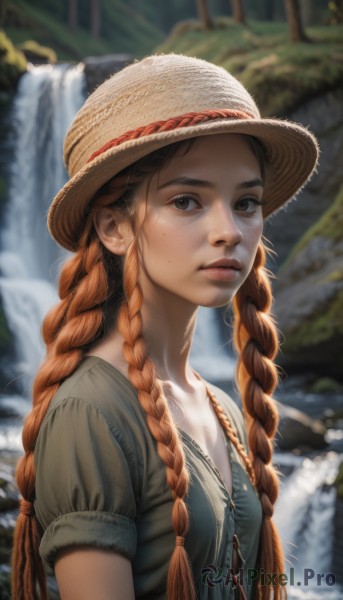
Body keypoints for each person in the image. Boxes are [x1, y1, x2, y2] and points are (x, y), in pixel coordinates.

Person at [11, 54, 318, 600]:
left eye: (246, 202)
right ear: (114, 227)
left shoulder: (219, 408)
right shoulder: (92, 413)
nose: (229, 230)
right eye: (187, 201)